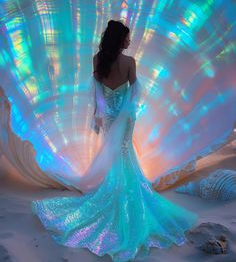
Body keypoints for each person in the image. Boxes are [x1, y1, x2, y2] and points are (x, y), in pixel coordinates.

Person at [31, 20, 199, 262]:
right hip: (124, 118)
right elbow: (134, 93)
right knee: (123, 152)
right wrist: (125, 114)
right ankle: (123, 193)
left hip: (109, 117)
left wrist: (97, 116)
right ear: (119, 39)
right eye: (127, 38)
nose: (129, 42)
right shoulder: (129, 62)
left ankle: (117, 188)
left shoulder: (98, 60)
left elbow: (96, 92)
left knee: (118, 154)